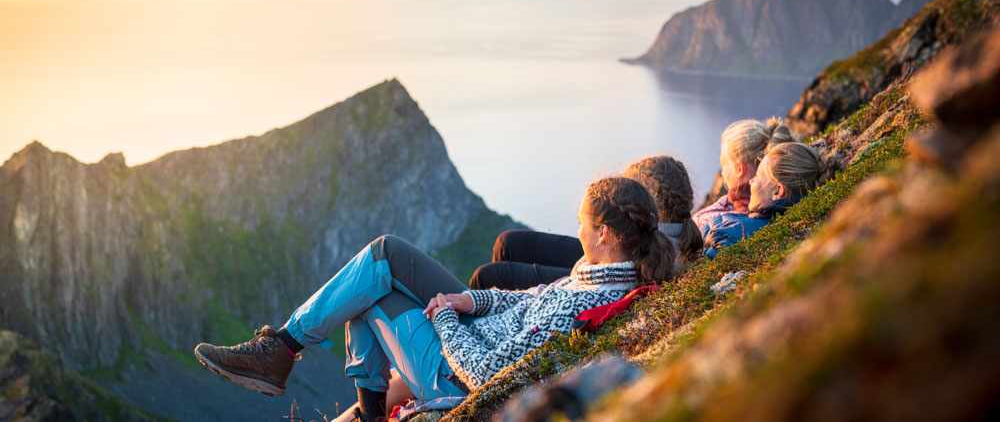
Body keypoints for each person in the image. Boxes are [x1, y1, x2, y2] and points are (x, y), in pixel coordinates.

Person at [193, 176, 676, 422]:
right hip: (470, 331)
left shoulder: (582, 299)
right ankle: (285, 351)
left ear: (607, 234)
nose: (577, 229)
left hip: (458, 372)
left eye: (583, 222)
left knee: (369, 287)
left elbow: (488, 376)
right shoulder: (597, 276)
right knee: (383, 258)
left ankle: (284, 352)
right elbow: (526, 300)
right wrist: (471, 303)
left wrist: (445, 319)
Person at [469, 155, 701, 291]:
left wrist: (564, 285)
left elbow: (611, 277)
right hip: (607, 255)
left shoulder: (654, 247)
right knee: (507, 242)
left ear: (650, 204)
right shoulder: (676, 231)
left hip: (603, 266)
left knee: (488, 276)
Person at [702, 142, 837, 258]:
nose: (751, 181)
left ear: (777, 192)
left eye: (759, 176)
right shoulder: (790, 223)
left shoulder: (733, 235)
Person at [691, 118, 795, 232]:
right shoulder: (784, 198)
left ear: (739, 169)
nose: (723, 172)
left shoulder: (717, 223)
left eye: (724, 164)